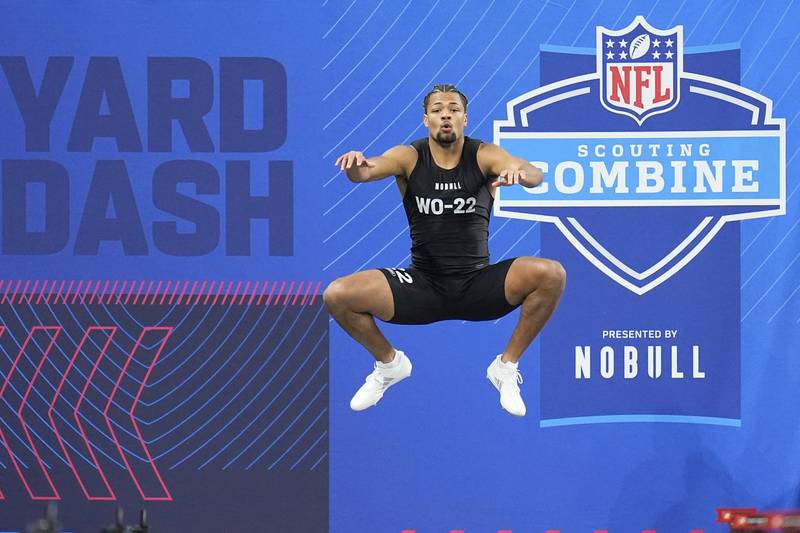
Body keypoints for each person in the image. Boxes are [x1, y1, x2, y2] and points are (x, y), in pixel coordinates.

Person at [324, 84, 565, 417]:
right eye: (437, 110)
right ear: (426, 120)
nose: (445, 114)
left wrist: (521, 174)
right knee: (337, 294)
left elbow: (535, 174)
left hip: (478, 285)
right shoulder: (409, 157)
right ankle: (390, 365)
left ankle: (505, 368)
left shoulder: (484, 155)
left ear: (465, 118)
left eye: (453, 108)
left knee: (551, 274)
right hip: (422, 286)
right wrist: (354, 166)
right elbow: (366, 171)